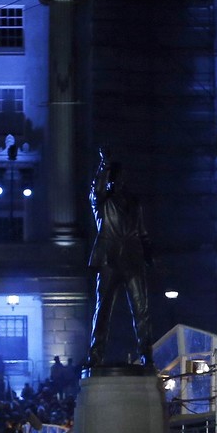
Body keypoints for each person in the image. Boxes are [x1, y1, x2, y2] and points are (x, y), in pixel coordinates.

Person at [86, 149, 155, 369]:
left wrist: (149, 255)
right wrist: (104, 164)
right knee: (103, 311)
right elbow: (95, 188)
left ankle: (146, 354)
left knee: (142, 310)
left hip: (133, 260)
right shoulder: (101, 202)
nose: (120, 180)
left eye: (122, 176)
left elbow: (142, 232)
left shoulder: (135, 203)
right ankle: (96, 356)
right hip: (109, 260)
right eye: (116, 176)